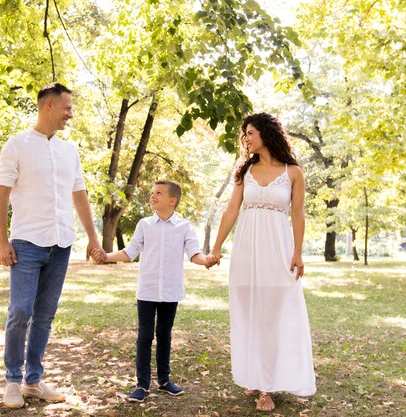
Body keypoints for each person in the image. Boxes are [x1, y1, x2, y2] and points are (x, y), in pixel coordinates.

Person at [0, 82, 104, 409]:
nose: (71, 114)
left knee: (44, 315)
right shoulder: (16, 146)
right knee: (20, 311)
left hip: (62, 244)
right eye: (67, 108)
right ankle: (13, 380)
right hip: (26, 242)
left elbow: (79, 196)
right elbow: (1, 195)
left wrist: (93, 238)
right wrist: (2, 241)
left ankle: (33, 381)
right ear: (49, 106)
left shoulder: (69, 150)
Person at [206, 113, 316, 411]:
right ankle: (254, 375)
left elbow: (298, 214)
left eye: (250, 132)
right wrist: (215, 248)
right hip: (247, 250)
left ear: (266, 134)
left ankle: (267, 388)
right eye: (245, 134)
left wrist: (298, 252)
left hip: (278, 251)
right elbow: (231, 210)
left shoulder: (293, 172)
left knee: (270, 317)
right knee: (249, 314)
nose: (246, 138)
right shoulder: (244, 171)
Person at [91, 180, 210, 403]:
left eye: (159, 193)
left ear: (172, 201)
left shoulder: (184, 226)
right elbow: (129, 253)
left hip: (171, 291)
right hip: (147, 290)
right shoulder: (144, 224)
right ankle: (142, 385)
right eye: (152, 192)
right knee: (145, 336)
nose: (152, 196)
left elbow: (195, 254)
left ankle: (164, 380)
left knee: (165, 335)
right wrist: (106, 257)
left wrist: (207, 260)